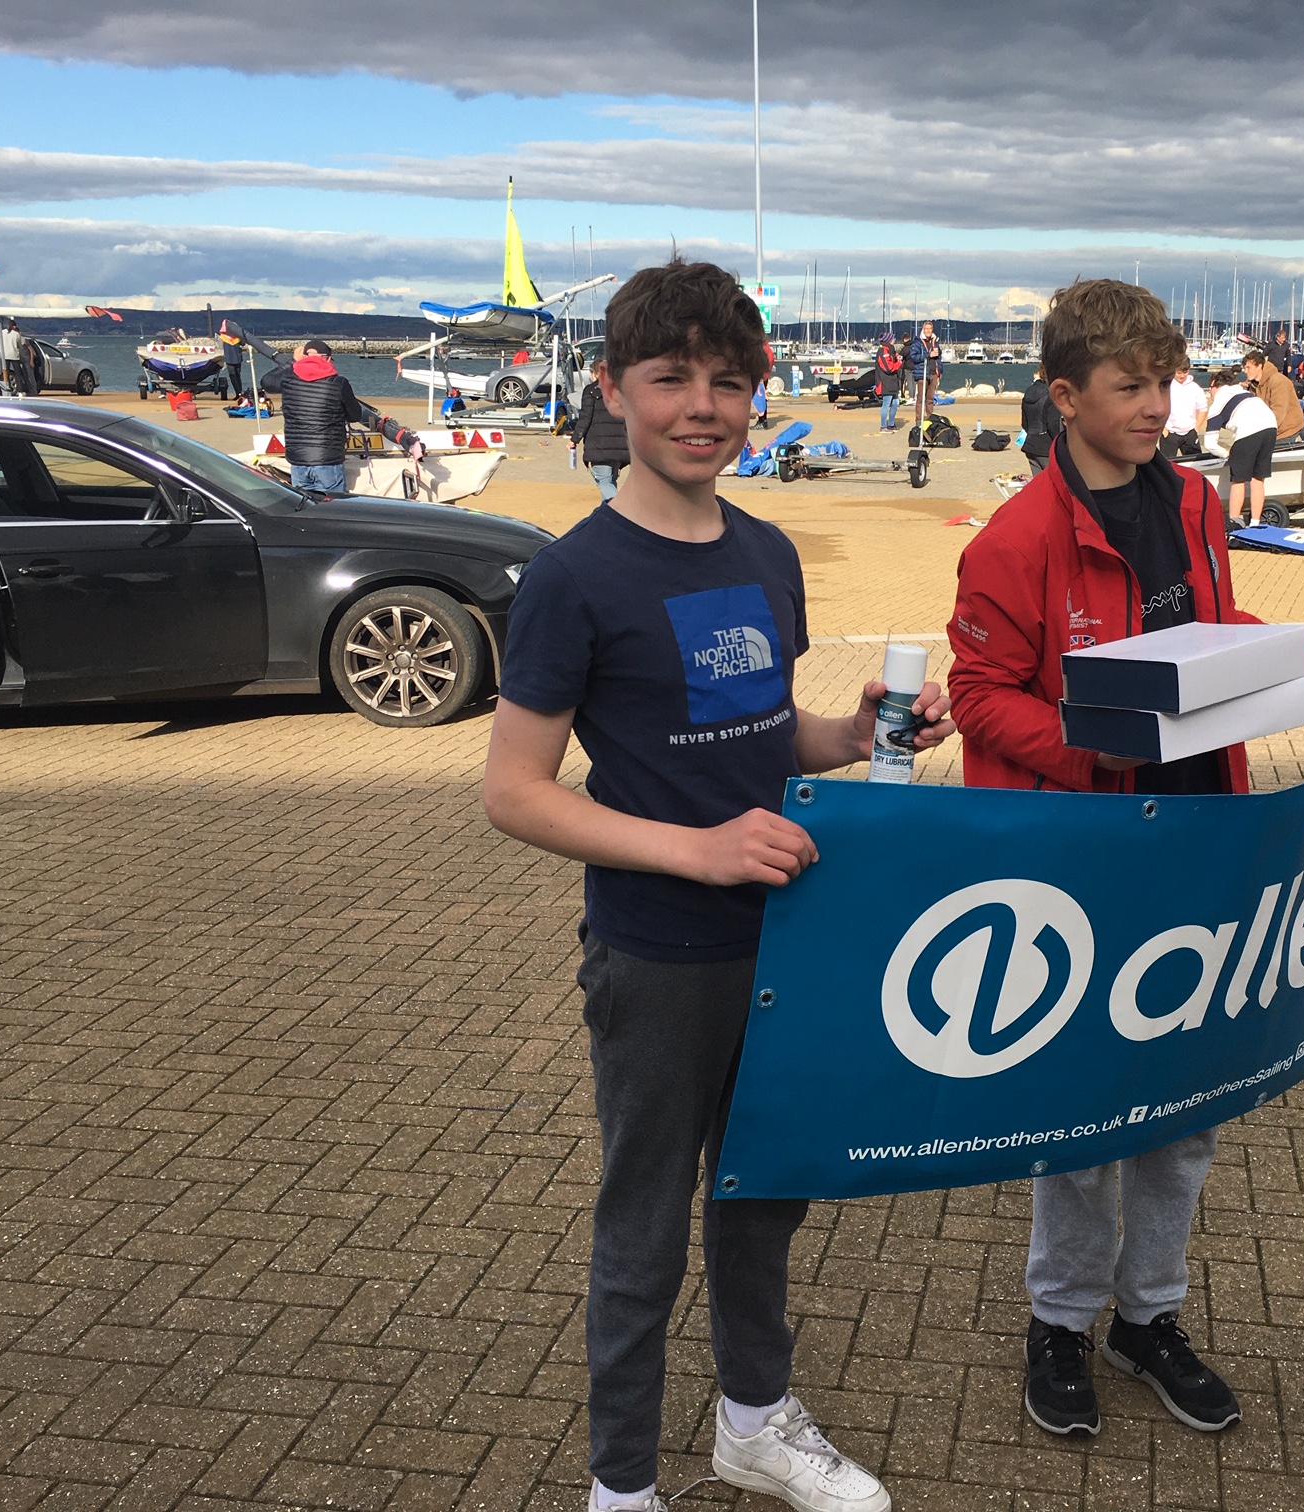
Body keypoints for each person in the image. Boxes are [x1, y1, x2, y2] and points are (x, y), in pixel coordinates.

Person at [483, 258, 951, 1512]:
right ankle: (621, 1486)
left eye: (729, 381)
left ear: (758, 392)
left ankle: (754, 1421)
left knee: (764, 1198)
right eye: (670, 378)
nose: (703, 405)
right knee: (644, 1226)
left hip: (785, 939)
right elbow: (516, 790)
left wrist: (846, 741)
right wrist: (695, 848)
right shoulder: (574, 576)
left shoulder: (765, 548)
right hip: (656, 951)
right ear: (611, 391)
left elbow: (758, 728)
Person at [946, 277, 1304, 1446]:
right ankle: (1060, 1320)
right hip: (1087, 848)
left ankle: (1149, 1315)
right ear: (1063, 396)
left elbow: (1225, 639)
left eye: (1166, 383)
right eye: (1130, 388)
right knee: (1081, 1112)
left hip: (1202, 832)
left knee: (1188, 1100)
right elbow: (976, 698)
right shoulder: (1019, 538)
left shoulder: (1196, 501)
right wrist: (1092, 752)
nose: (1158, 407)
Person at [260, 338, 424, 493]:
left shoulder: (288, 380)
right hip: (327, 459)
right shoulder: (338, 383)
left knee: (306, 510)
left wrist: (293, 362)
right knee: (333, 507)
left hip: (298, 460)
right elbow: (354, 415)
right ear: (328, 359)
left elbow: (267, 381)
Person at [1203, 366, 1278, 529]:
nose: (1210, 394)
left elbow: (1209, 443)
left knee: (1238, 480)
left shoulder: (1218, 405)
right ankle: (1256, 523)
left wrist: (1226, 453)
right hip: (1271, 426)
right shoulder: (1246, 393)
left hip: (1249, 432)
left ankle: (1234, 522)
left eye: (1210, 388)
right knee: (1258, 479)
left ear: (1216, 385)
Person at [567, 367, 630, 503]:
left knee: (604, 482)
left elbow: (585, 418)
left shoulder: (591, 390)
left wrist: (574, 439)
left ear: (596, 373)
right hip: (621, 445)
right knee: (609, 481)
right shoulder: (622, 390)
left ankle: (622, 512)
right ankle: (609, 518)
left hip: (599, 446)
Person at [1020, 368, 1062, 474]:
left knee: (1040, 484)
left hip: (1031, 444)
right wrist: (1062, 442)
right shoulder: (1050, 396)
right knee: (1055, 483)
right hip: (1046, 447)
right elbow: (1053, 425)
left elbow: (1025, 424)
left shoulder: (1028, 393)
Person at [1162, 363, 1207, 455]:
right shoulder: (1166, 386)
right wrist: (1163, 429)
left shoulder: (1195, 388)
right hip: (1170, 432)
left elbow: (1203, 409)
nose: (1182, 376)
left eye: (1185, 372)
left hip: (1190, 432)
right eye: (1179, 373)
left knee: (1195, 463)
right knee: (1166, 465)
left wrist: (1196, 429)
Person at [874, 335, 903, 431]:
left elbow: (895, 357)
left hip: (893, 381)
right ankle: (883, 426)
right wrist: (899, 363)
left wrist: (898, 357)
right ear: (889, 340)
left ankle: (891, 423)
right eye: (893, 338)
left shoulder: (891, 349)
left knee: (895, 403)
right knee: (886, 404)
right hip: (885, 381)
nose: (894, 340)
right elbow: (888, 367)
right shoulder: (883, 351)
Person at [0, 321, 32, 396]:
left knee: (4, 372)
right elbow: (20, 345)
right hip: (14, 355)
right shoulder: (16, 334)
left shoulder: (1, 333)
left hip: (4, 355)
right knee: (18, 373)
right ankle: (19, 390)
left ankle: (3, 388)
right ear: (15, 326)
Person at [919, 320, 942, 422]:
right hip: (922, 373)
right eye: (926, 329)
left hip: (934, 373)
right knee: (920, 399)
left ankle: (929, 420)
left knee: (930, 399)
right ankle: (919, 420)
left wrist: (940, 371)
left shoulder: (935, 341)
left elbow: (939, 358)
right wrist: (928, 355)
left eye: (930, 329)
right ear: (923, 330)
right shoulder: (918, 342)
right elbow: (914, 357)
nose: (928, 331)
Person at [220, 322, 247, 401]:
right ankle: (240, 392)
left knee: (233, 376)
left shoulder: (223, 336)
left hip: (229, 358)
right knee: (238, 376)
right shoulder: (237, 337)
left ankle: (238, 393)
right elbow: (243, 343)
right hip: (237, 357)